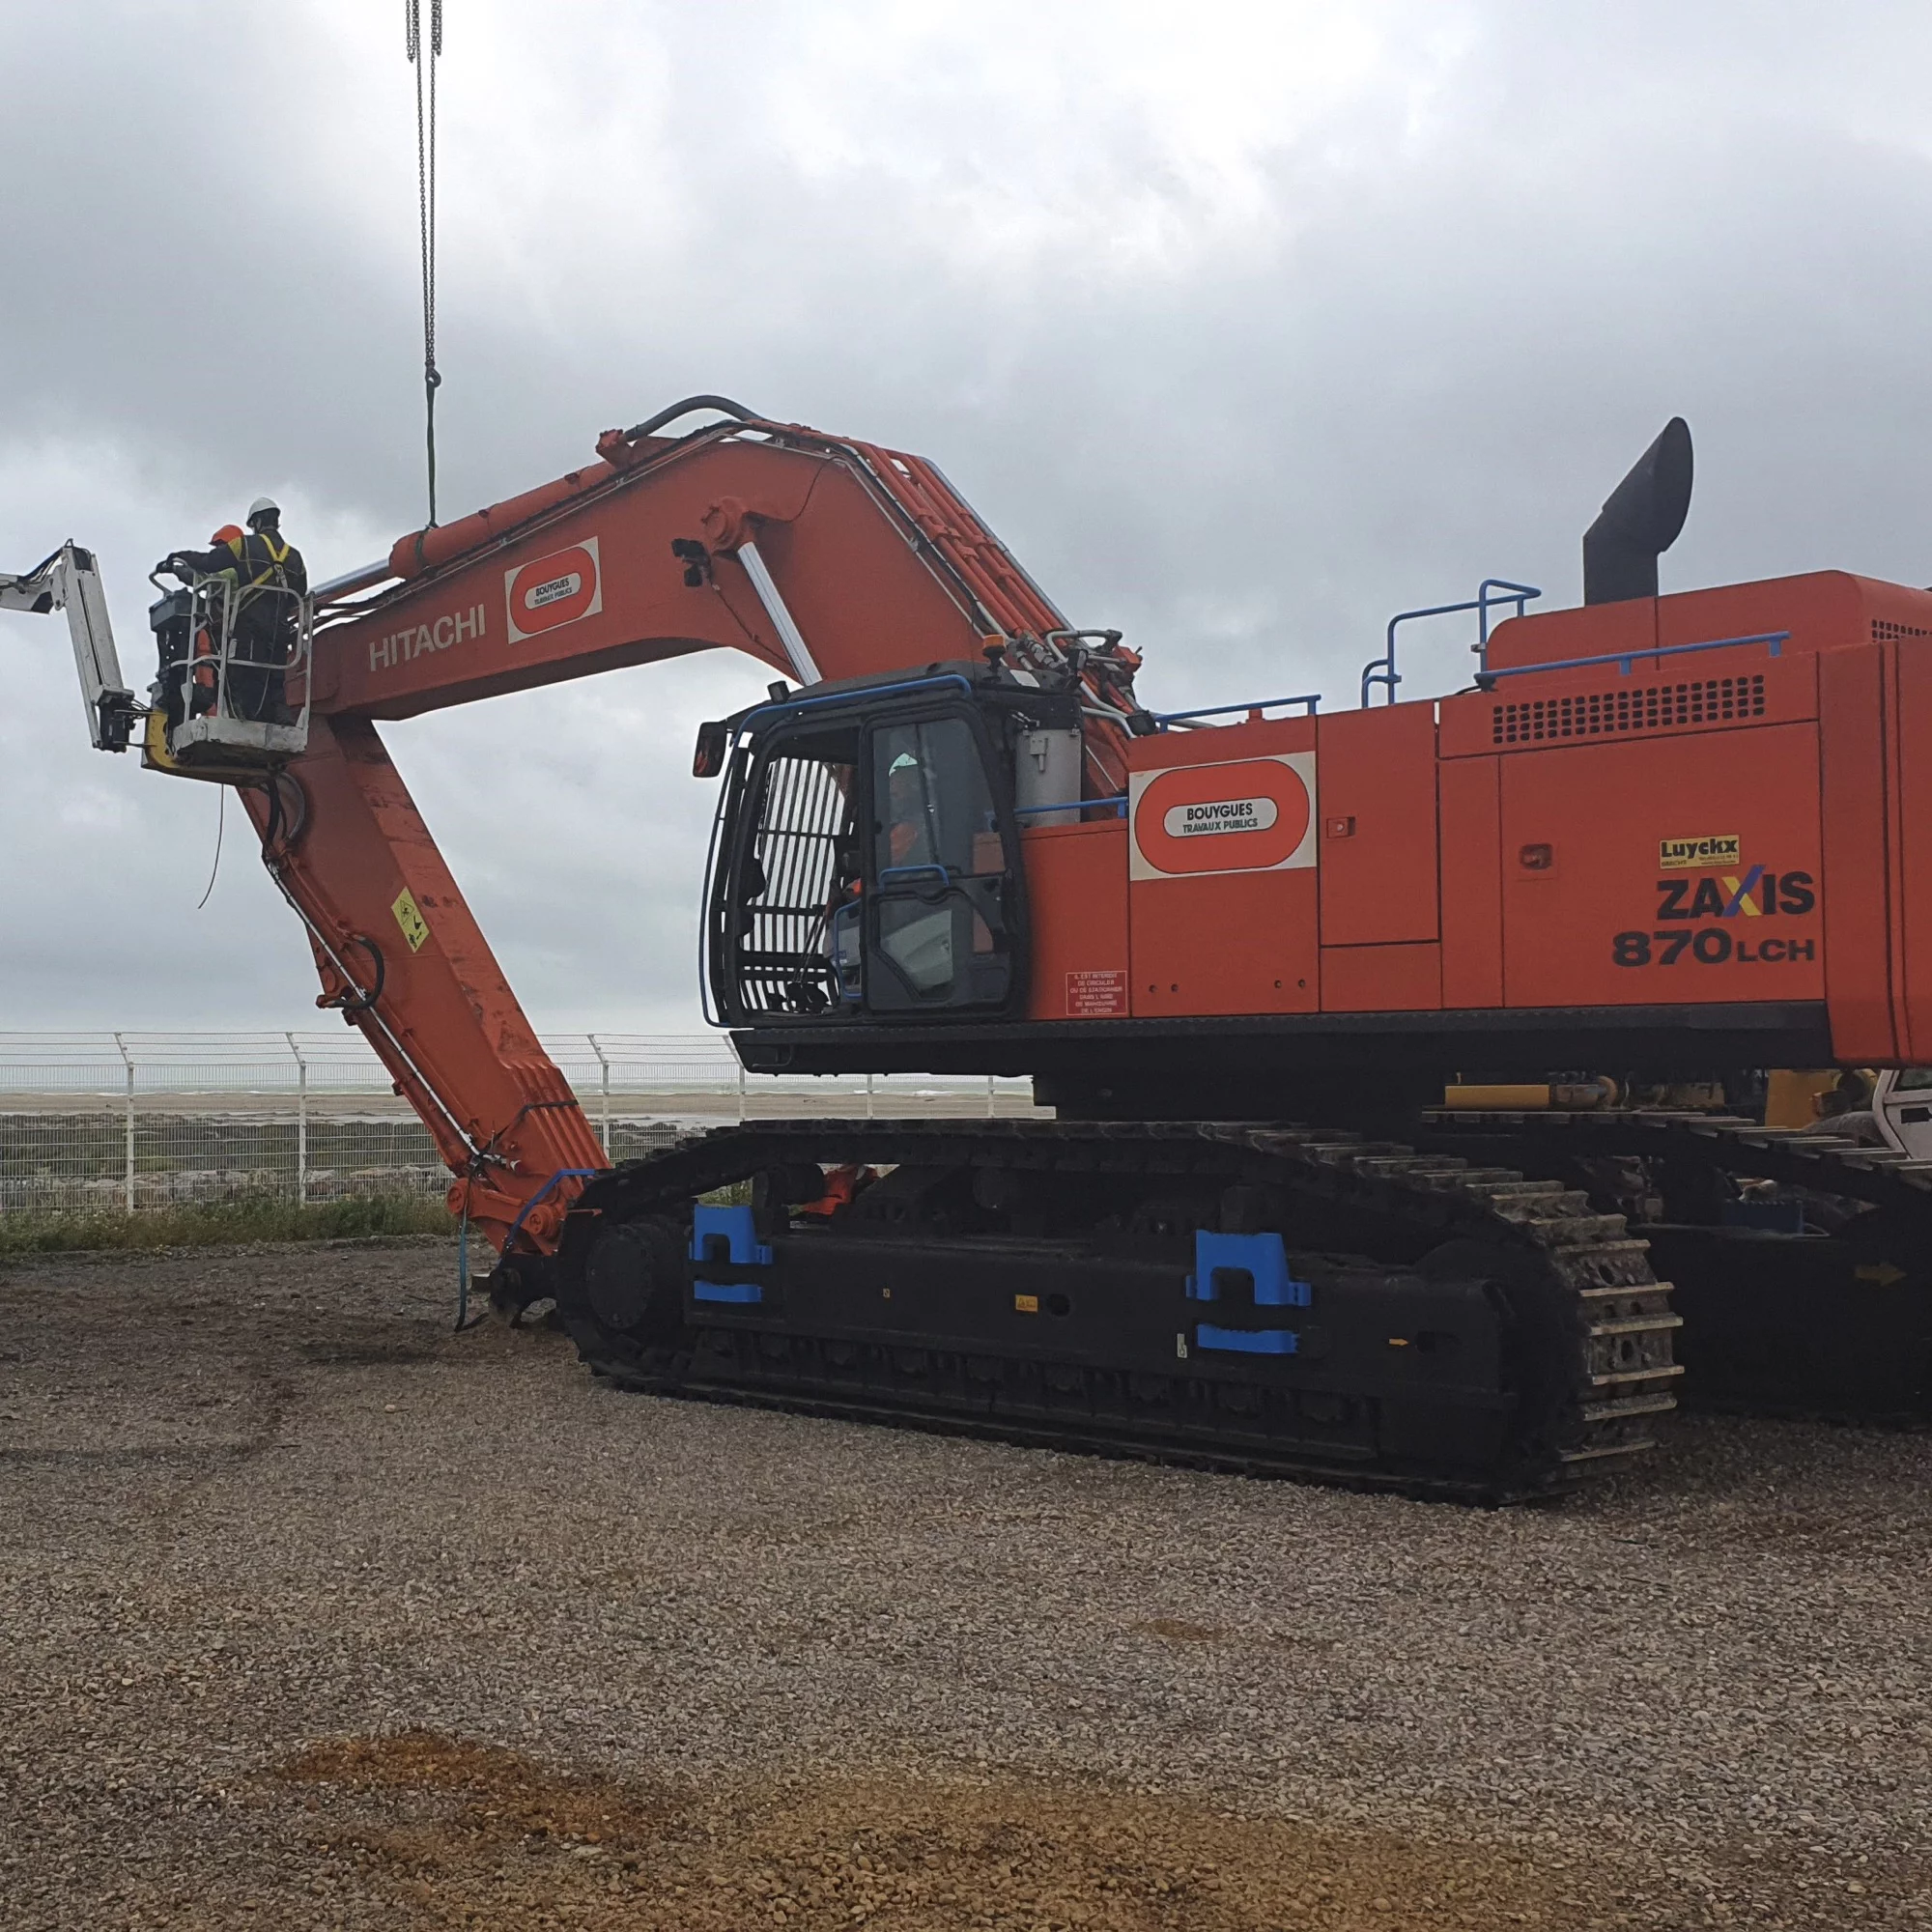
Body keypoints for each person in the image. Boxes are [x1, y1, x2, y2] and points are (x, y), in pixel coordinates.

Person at [159, 497, 307, 724]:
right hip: (279, 629)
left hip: (248, 627)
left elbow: (209, 562)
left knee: (239, 673)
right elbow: (300, 591)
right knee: (274, 676)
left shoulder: (245, 545)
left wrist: (179, 557)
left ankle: (240, 717)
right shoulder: (294, 556)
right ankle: (278, 718)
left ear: (256, 522)